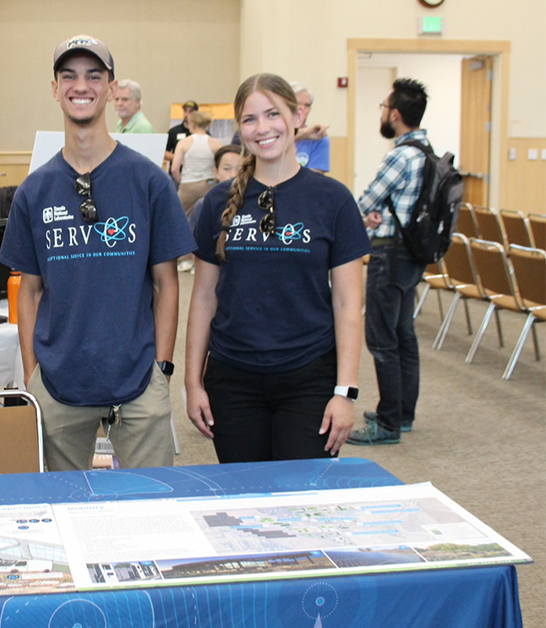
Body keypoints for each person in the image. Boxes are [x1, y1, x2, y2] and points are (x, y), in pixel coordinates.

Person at [0, 34, 195, 471]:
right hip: (58, 381)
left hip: (139, 378)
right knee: (60, 511)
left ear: (110, 88)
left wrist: (162, 369)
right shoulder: (35, 190)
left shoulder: (148, 182)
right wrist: (34, 376)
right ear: (54, 89)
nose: (80, 85)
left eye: (93, 75)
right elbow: (28, 292)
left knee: (153, 507)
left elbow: (167, 284)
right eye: (68, 76)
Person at [184, 73, 370, 463]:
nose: (262, 128)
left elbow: (348, 305)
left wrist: (345, 391)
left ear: (297, 115)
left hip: (309, 377)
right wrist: (192, 381)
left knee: (302, 504)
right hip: (232, 379)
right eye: (250, 119)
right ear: (239, 128)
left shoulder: (332, 199)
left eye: (273, 114)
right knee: (244, 502)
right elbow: (202, 298)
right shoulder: (218, 202)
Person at [348, 78, 432, 446]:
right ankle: (402, 412)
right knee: (403, 335)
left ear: (395, 114)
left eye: (383, 107)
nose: (382, 113)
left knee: (381, 339)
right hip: (412, 253)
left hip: (388, 253)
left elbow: (368, 200)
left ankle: (386, 424)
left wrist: (360, 216)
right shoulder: (427, 150)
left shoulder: (400, 154)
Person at [172, 110, 221, 272]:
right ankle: (200, 262)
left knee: (182, 222)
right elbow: (220, 166)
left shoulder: (184, 143)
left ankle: (185, 259)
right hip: (209, 185)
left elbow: (174, 168)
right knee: (206, 223)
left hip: (188, 184)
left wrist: (181, 181)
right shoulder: (215, 143)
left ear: (191, 124)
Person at [291, 82, 330, 173]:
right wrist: (305, 133)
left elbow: (313, 181)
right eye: (297, 104)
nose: (302, 110)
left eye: (307, 105)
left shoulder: (319, 139)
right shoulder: (272, 135)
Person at [164, 99, 198, 167]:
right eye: (185, 111)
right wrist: (178, 158)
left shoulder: (201, 132)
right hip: (177, 171)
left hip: (195, 172)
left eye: (191, 111)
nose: (187, 114)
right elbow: (164, 152)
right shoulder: (174, 131)